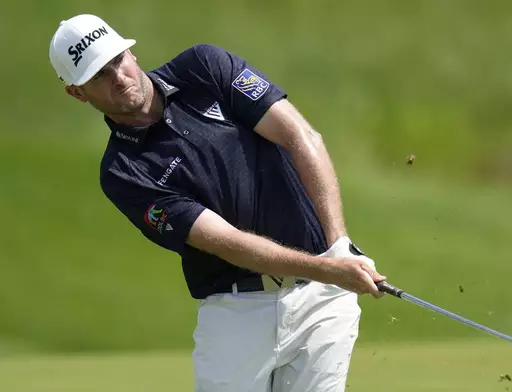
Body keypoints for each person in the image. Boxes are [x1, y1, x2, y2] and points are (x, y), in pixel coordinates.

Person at [49, 13, 387, 392]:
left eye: (118, 61)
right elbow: (228, 242)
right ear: (77, 93)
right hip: (236, 315)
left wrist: (338, 246)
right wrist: (331, 270)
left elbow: (300, 135)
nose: (118, 77)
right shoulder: (123, 172)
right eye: (99, 76)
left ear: (132, 53)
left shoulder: (203, 68)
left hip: (322, 299)